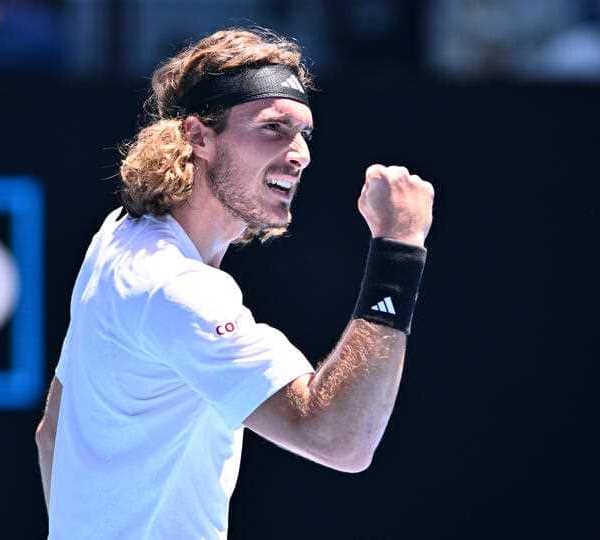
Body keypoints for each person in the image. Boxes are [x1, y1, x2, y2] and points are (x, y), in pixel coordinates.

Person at [35, 27, 434, 539]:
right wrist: (399, 248)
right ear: (199, 137)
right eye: (273, 128)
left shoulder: (119, 234)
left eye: (304, 134)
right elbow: (339, 439)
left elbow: (54, 434)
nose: (300, 154)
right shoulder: (177, 288)